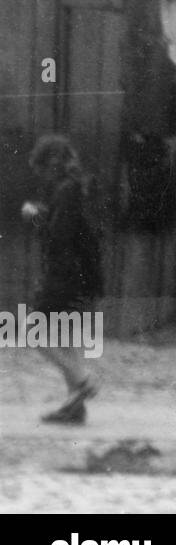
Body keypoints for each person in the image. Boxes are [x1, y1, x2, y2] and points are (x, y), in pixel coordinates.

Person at [23, 134, 103, 424]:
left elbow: (58, 236)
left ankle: (82, 381)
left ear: (51, 164)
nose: (42, 176)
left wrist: (35, 216)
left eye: (42, 169)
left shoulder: (67, 190)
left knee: (32, 330)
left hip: (65, 275)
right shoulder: (77, 187)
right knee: (67, 338)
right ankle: (75, 406)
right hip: (83, 276)